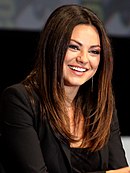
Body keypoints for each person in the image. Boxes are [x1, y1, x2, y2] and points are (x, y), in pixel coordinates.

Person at [0, 4, 130, 173]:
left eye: (94, 51)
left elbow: (121, 169)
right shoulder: (19, 100)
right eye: (73, 47)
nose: (83, 59)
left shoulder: (101, 104)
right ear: (53, 46)